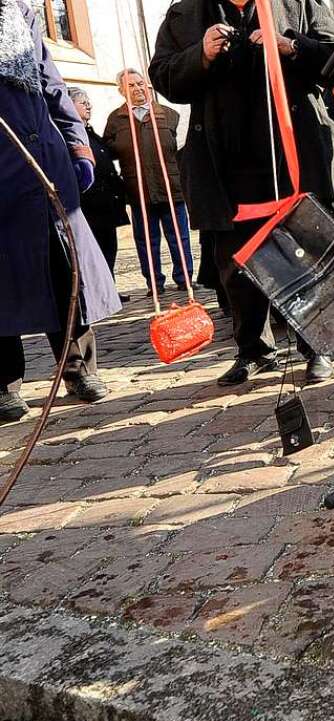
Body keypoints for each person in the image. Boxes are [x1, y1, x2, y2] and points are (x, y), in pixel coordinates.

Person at [150, 0, 334, 386]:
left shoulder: (301, 3)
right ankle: (254, 349)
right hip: (224, 167)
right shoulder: (184, 14)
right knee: (236, 265)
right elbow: (163, 76)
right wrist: (200, 55)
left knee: (304, 256)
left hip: (295, 156)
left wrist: (290, 46)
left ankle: (316, 346)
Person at [0, 0, 120, 422]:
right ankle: (4, 385)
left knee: (64, 267)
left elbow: (51, 82)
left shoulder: (20, 11)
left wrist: (76, 143)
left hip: (42, 161)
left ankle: (79, 369)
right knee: (3, 279)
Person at [103, 69, 194, 296]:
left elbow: (183, 149)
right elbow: (107, 151)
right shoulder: (116, 120)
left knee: (179, 238)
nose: (137, 89)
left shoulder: (168, 114)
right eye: (131, 86)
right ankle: (154, 284)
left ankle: (185, 278)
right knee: (146, 241)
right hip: (139, 192)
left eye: (140, 84)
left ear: (148, 86)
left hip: (170, 189)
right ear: (122, 91)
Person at [67, 86, 131, 302]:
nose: (89, 105)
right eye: (82, 102)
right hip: (89, 206)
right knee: (93, 254)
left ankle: (108, 291)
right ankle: (97, 295)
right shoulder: (70, 134)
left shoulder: (90, 132)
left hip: (106, 205)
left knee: (108, 250)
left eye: (88, 102)